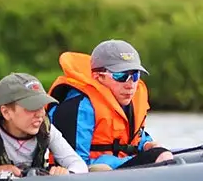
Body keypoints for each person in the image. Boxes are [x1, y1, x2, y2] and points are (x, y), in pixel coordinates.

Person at [48, 39, 174, 170]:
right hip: (91, 174)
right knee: (160, 157)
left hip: (119, 168)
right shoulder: (79, 107)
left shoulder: (126, 100)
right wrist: (133, 160)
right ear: (98, 77)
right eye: (121, 76)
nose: (130, 84)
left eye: (135, 76)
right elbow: (75, 163)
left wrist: (146, 144)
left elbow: (134, 137)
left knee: (161, 154)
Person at [0, 73, 88, 177]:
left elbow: (78, 165)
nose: (40, 115)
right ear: (6, 112)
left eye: (42, 107)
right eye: (31, 108)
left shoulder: (47, 130)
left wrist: (67, 174)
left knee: (100, 169)